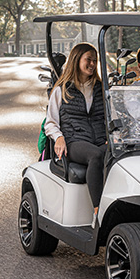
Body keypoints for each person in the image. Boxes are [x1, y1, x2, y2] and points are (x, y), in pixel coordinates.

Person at [44, 43, 107, 228]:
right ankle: (98, 212)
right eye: (88, 59)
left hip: (98, 138)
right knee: (95, 155)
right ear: (76, 60)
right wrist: (59, 137)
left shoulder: (100, 88)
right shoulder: (62, 89)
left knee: (117, 154)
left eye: (95, 60)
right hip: (74, 141)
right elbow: (50, 122)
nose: (93, 64)